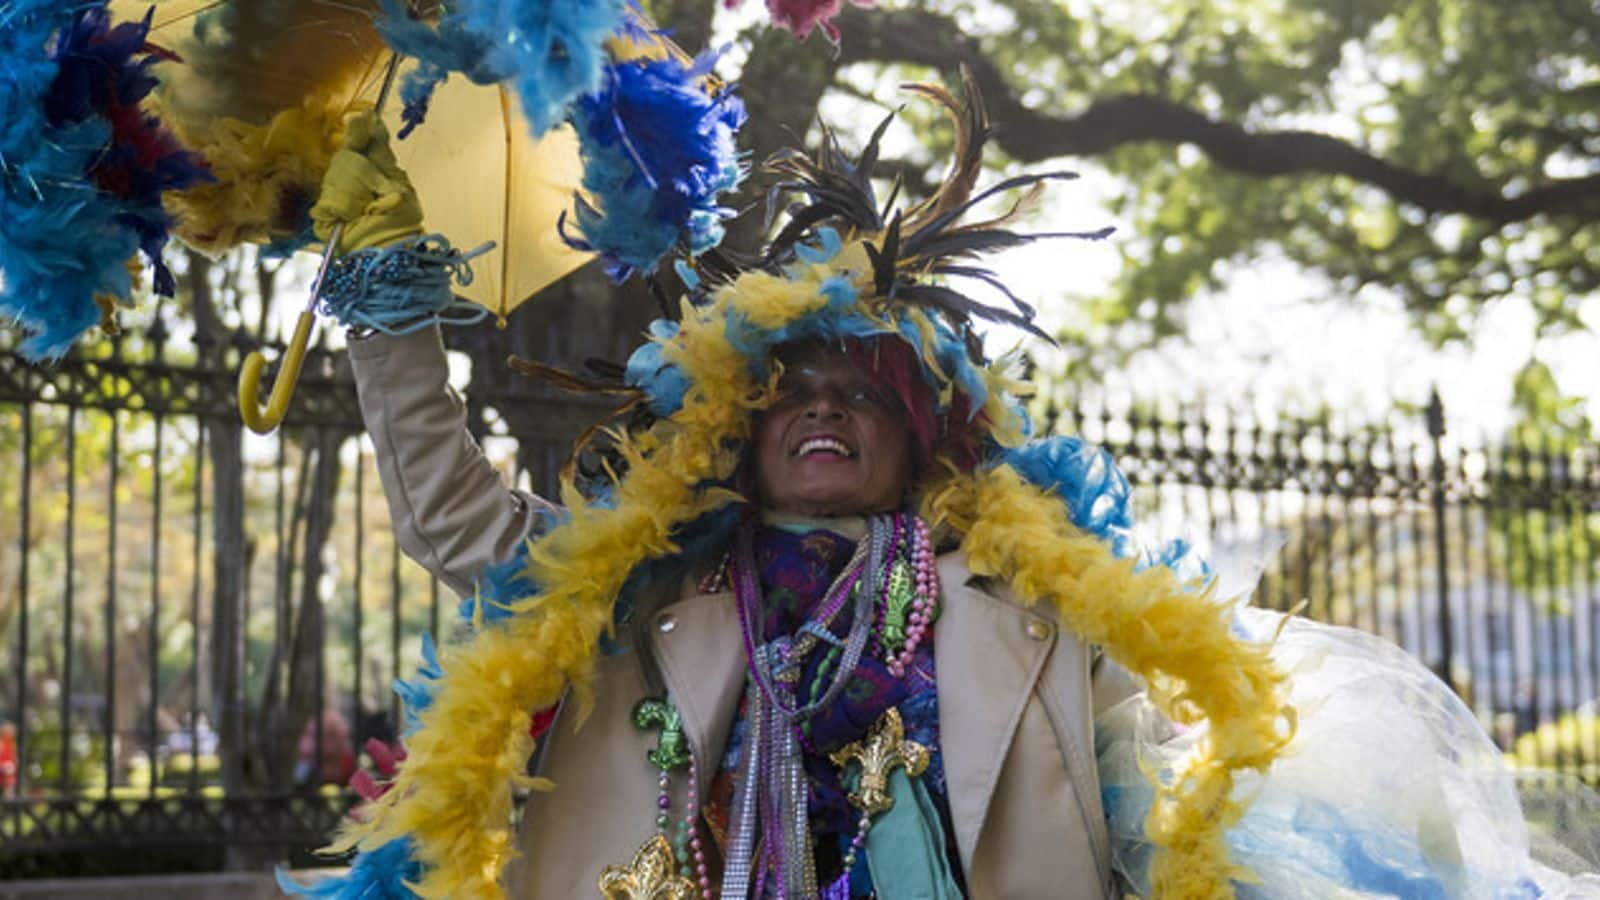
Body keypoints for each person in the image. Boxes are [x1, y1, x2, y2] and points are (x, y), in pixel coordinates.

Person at [282, 87, 1598, 900]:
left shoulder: (1038, 609)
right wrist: (388, 298)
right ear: (734, 432)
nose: (821, 405)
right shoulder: (641, 590)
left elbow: (1170, 836)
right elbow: (456, 521)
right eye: (789, 387)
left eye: (863, 392)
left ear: (927, 440)